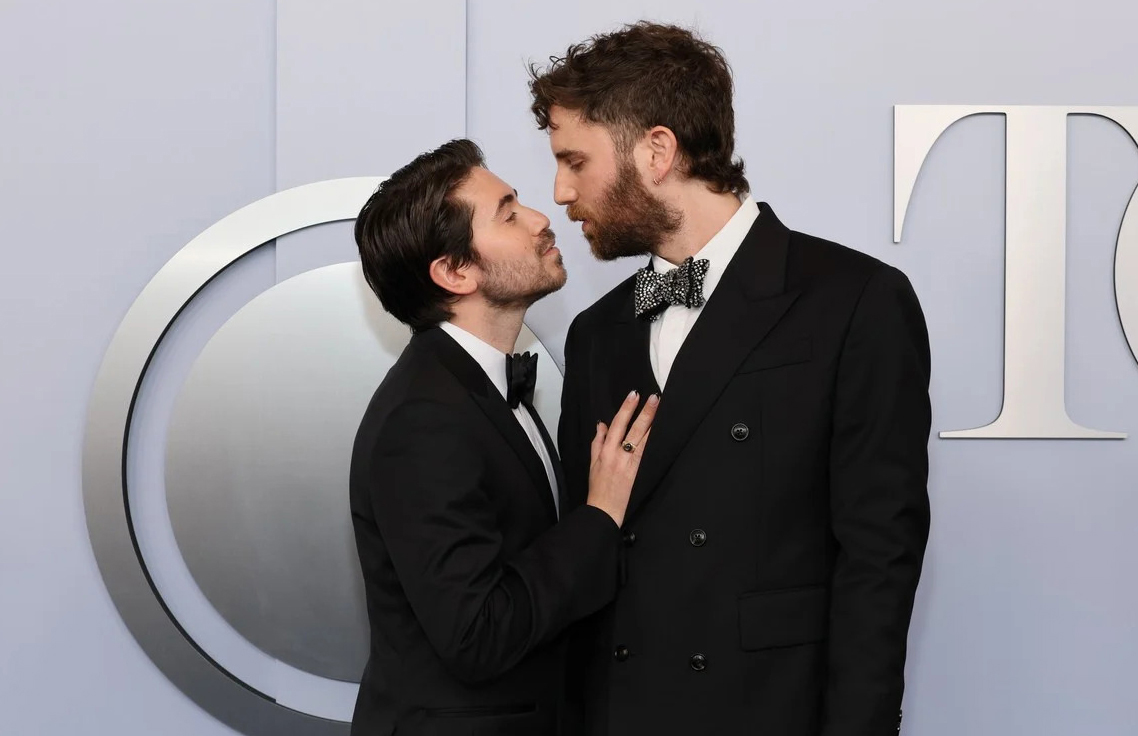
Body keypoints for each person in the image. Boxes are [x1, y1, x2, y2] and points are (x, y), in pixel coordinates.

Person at [528, 21, 932, 735]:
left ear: (657, 150)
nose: (561, 191)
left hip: (769, 710)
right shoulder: (596, 333)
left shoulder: (855, 301)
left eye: (573, 160)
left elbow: (879, 559)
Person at [349, 138, 657, 736]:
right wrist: (599, 516)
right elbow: (476, 634)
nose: (542, 218)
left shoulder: (476, 391)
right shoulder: (422, 419)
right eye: (509, 214)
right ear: (454, 271)